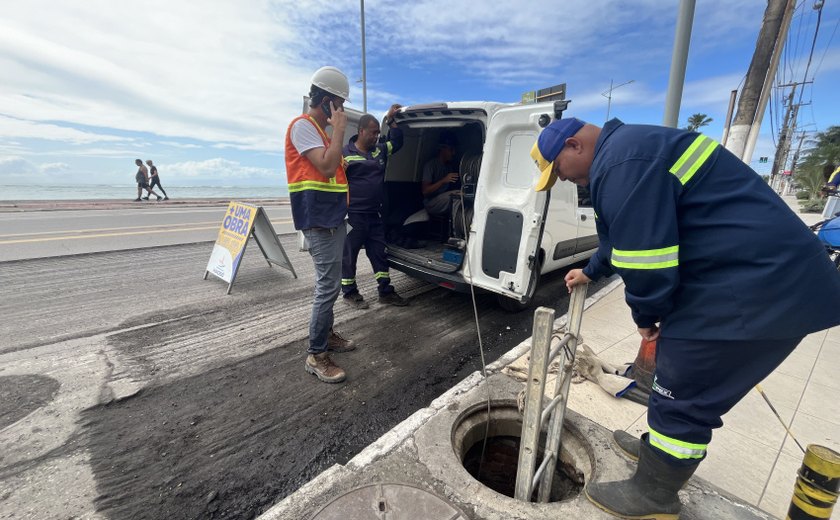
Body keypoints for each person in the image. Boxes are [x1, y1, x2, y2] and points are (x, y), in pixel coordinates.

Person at [531, 117, 840, 518]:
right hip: (761, 282)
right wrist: (592, 270)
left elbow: (645, 258)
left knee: (681, 389)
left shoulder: (623, 163)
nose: (565, 182)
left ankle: (654, 495)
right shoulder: (628, 151)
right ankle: (659, 454)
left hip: (754, 290)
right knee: (679, 385)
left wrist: (647, 314)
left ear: (573, 146)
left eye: (559, 173)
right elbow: (619, 235)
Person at [285, 66, 355, 384]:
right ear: (328, 102)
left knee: (332, 283)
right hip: (319, 222)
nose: (341, 111)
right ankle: (316, 354)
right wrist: (339, 129)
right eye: (339, 104)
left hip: (333, 219)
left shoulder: (320, 132)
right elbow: (327, 167)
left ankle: (327, 335)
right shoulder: (303, 127)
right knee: (326, 288)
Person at [341, 106, 409, 308]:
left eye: (378, 133)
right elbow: (333, 181)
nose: (376, 136)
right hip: (353, 215)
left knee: (380, 253)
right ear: (361, 131)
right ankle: (350, 292)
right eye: (373, 133)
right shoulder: (345, 154)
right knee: (349, 254)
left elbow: (397, 142)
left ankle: (385, 292)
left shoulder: (380, 149)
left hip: (375, 215)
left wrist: (391, 121)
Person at [421, 131, 461, 217]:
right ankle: (455, 228)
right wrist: (443, 181)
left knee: (462, 194)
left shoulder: (448, 167)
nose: (453, 153)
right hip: (431, 203)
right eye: (451, 150)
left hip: (442, 199)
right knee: (457, 197)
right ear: (443, 148)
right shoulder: (430, 165)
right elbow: (425, 191)